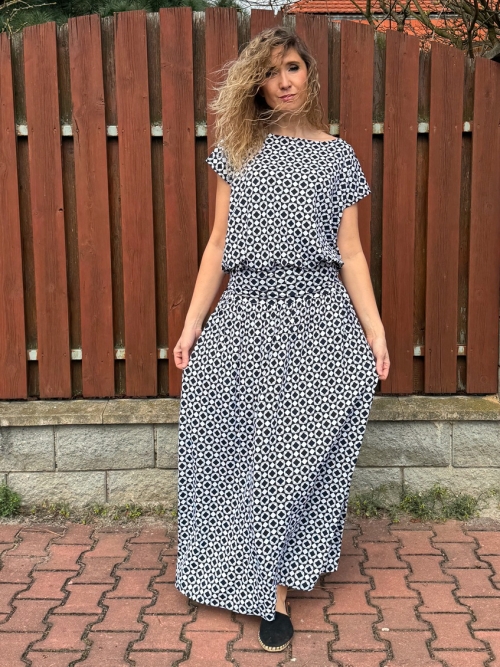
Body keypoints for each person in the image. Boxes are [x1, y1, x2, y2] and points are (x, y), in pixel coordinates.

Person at [173, 25, 390, 653]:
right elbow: (218, 244)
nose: (285, 81)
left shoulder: (337, 155)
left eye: (292, 67)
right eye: (271, 72)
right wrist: (191, 325)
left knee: (296, 457)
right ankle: (250, 579)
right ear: (256, 85)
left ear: (309, 73)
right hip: (245, 317)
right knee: (237, 453)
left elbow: (351, 253)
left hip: (320, 321)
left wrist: (375, 331)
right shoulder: (238, 150)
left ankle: (279, 578)